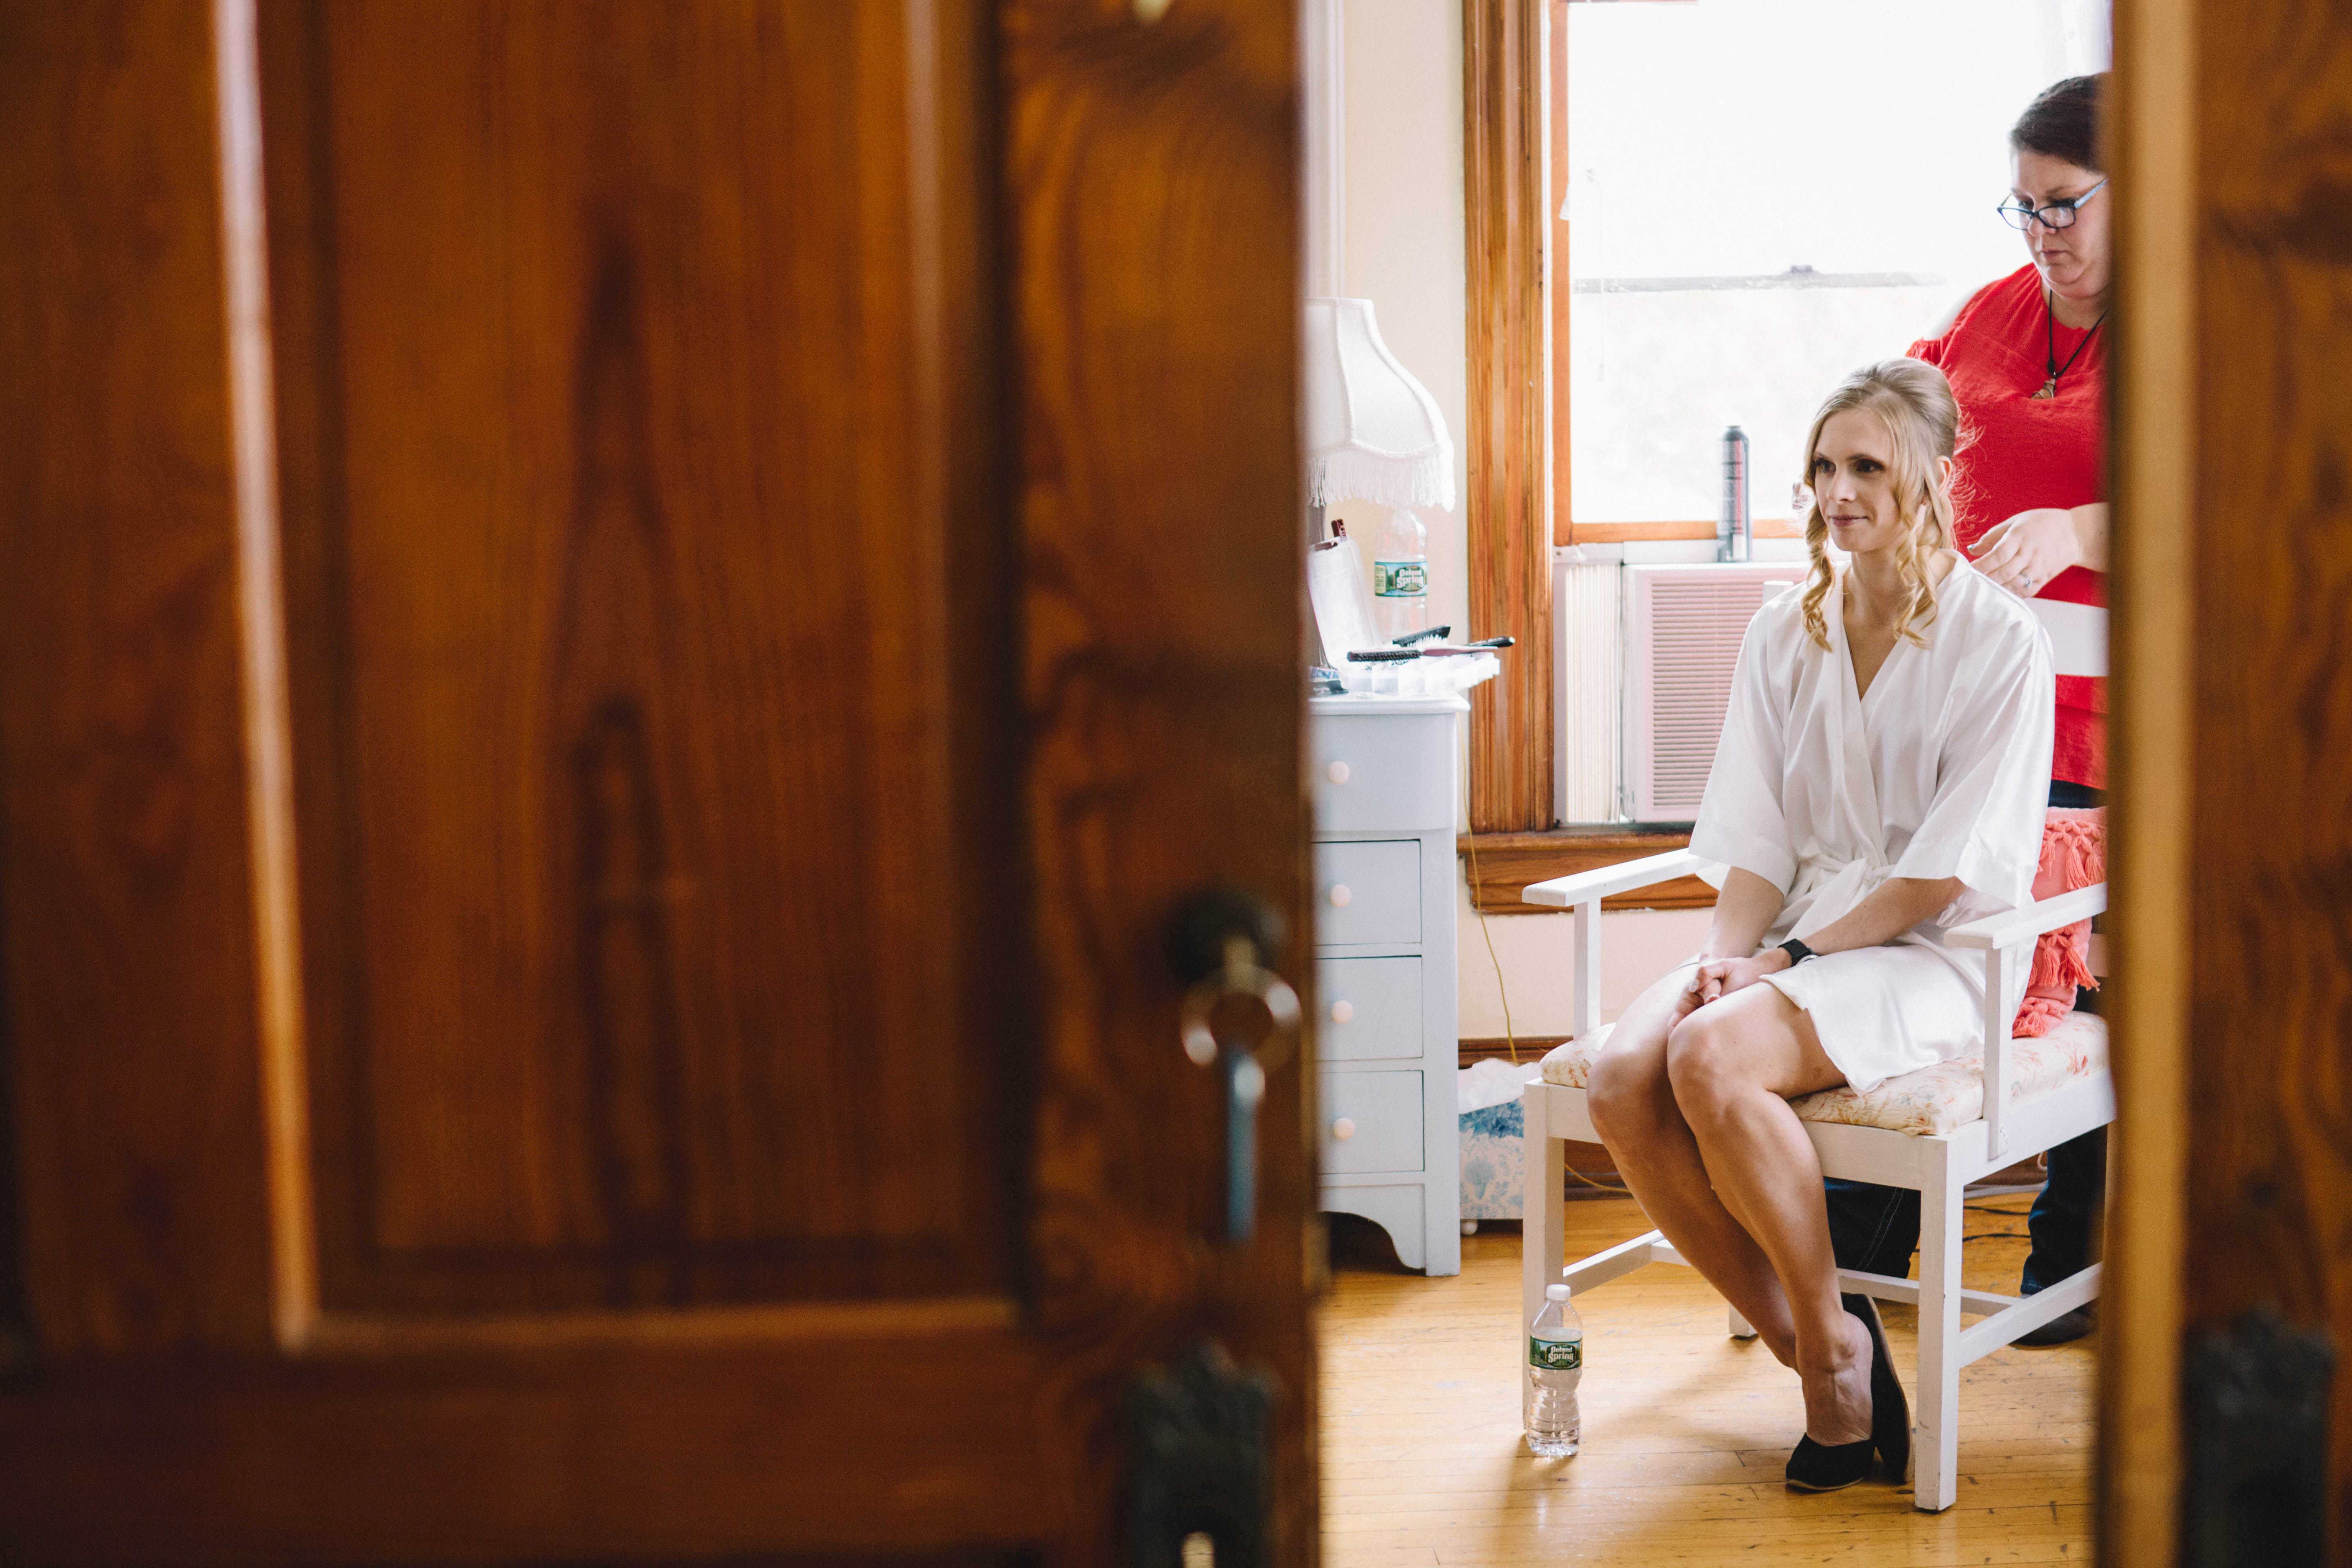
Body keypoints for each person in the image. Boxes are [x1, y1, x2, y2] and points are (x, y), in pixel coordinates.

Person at [1584, 359, 2055, 1493]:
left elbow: (1938, 881)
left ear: (1936, 476)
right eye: (1823, 468)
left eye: (1866, 466)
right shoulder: (1785, 631)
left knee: (1709, 1056)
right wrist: (1720, 959)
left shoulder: (2001, 644)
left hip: (1933, 955)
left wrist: (1781, 964)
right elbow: (1760, 848)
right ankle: (1819, 1333)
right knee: (1618, 1074)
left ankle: (1834, 1378)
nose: (1836, 491)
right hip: (1790, 933)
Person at [1822, 74, 2112, 1347]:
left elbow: (2243, 495)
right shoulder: (1991, 317)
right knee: (1917, 960)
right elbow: (1904, 429)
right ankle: (1855, 1268)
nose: (2041, 231)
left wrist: (2084, 526)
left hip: (2116, 723)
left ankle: (2067, 1269)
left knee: (2088, 985)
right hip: (1975, 705)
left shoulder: (2204, 328)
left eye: (2064, 204)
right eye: (2025, 205)